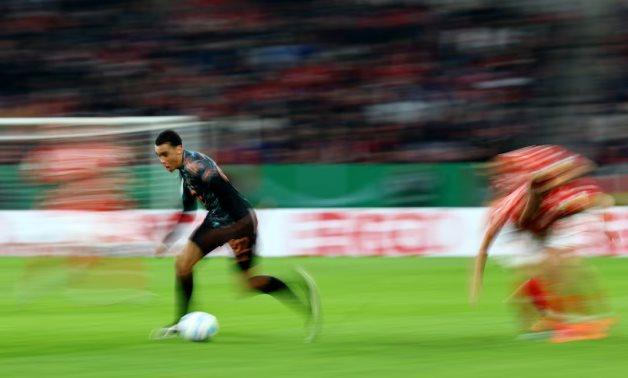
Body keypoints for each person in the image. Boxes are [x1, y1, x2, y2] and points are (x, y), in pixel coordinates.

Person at [151, 130, 321, 342]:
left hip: (237, 223)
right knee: (188, 266)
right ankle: (182, 321)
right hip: (219, 220)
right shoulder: (185, 171)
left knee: (245, 283)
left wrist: (240, 227)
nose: (162, 160)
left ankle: (300, 296)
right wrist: (168, 241)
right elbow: (188, 209)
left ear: (178, 149)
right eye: (158, 155)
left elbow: (227, 192)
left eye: (165, 154)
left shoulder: (199, 168)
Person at [470, 145, 614, 342]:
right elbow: (488, 239)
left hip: (548, 217)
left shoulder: (536, 169)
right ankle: (562, 322)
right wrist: (476, 280)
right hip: (529, 222)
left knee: (558, 269)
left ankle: (580, 322)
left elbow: (587, 174)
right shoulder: (508, 199)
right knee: (539, 274)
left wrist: (606, 226)